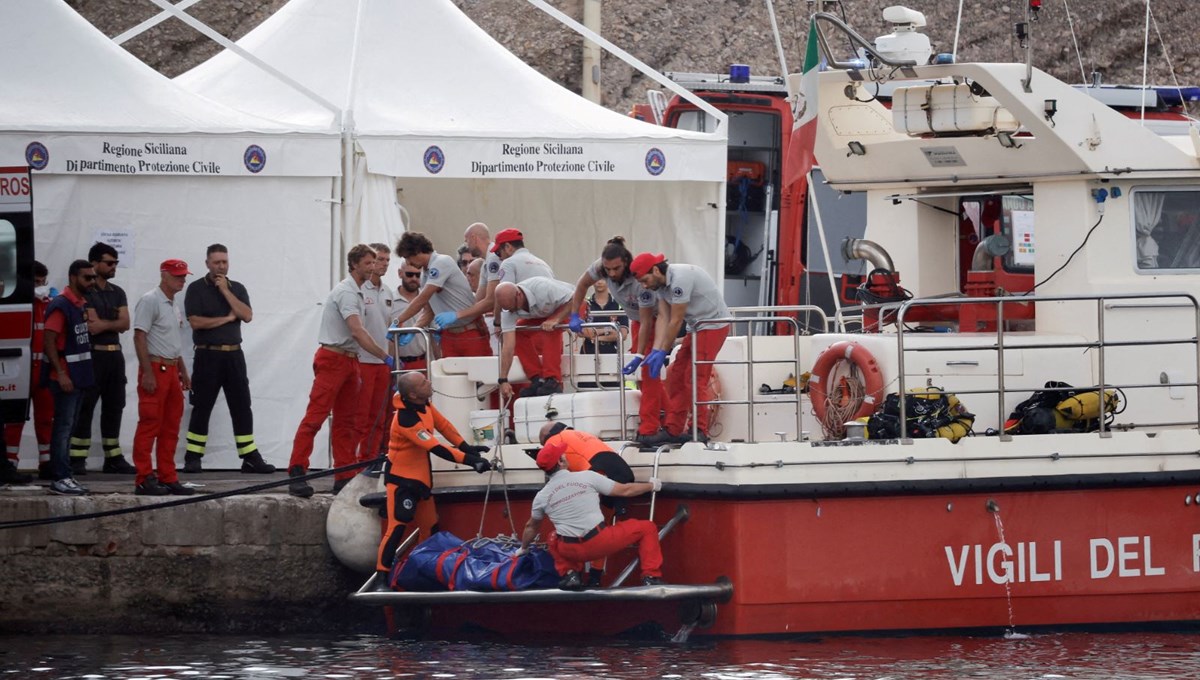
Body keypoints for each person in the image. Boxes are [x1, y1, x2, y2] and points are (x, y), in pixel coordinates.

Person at [288, 245, 393, 498]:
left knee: (347, 421)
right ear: (355, 264)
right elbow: (357, 329)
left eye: (373, 263)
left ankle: (344, 474)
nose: (372, 267)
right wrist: (384, 355)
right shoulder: (347, 293)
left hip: (349, 358)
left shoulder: (357, 292)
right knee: (316, 415)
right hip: (335, 358)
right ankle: (297, 470)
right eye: (368, 263)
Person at [375, 372, 491, 578]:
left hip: (421, 480)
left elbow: (444, 426)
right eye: (423, 382)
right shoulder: (406, 419)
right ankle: (382, 575)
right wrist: (472, 462)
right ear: (412, 394)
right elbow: (436, 447)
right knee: (397, 526)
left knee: (429, 526)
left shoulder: (425, 406)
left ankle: (424, 568)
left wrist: (469, 449)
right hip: (402, 481)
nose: (429, 383)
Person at [516, 443, 664, 590]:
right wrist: (652, 486)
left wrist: (523, 548)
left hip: (570, 550)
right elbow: (626, 490)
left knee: (553, 538)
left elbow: (531, 527)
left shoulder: (541, 496)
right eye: (563, 455)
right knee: (648, 528)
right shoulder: (587, 477)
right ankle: (651, 577)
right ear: (561, 462)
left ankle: (570, 574)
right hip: (599, 543)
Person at [181, 244, 274, 475]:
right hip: (207, 353)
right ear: (207, 264)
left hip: (234, 354)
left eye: (224, 262)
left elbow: (247, 315)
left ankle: (250, 457)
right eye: (216, 262)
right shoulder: (195, 289)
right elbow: (196, 322)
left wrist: (225, 291)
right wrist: (226, 319)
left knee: (242, 405)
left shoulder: (236, 288)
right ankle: (193, 456)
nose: (221, 266)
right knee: (202, 406)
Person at [564, 237, 663, 443]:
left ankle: (650, 427)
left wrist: (639, 353)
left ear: (626, 262)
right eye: (607, 269)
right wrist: (575, 314)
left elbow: (646, 321)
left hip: (656, 321)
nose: (611, 274)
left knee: (649, 375)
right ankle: (665, 418)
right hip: (639, 323)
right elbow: (582, 285)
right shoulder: (600, 268)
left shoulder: (639, 281)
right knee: (644, 378)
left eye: (616, 269)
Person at [631, 253, 731, 445]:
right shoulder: (660, 285)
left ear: (655, 270)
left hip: (713, 325)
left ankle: (699, 430)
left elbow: (676, 321)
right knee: (677, 374)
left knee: (695, 378)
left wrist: (662, 351)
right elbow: (664, 318)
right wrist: (655, 350)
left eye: (645, 280)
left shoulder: (679, 280)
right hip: (698, 326)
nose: (644, 286)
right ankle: (674, 429)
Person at [69, 242, 136, 475]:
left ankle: (113, 457)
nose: (113, 266)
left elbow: (125, 323)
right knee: (86, 406)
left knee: (115, 405)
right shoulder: (86, 291)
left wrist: (109, 324)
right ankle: (77, 458)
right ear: (94, 263)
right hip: (93, 354)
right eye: (109, 263)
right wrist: (113, 323)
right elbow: (93, 327)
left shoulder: (117, 292)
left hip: (114, 355)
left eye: (116, 262)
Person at [131, 259, 195, 496]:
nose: (182, 280)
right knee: (150, 423)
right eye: (178, 276)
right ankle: (144, 477)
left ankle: (167, 475)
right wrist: (147, 372)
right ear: (164, 276)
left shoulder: (172, 304)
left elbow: (173, 343)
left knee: (170, 426)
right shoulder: (151, 300)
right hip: (156, 368)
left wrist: (183, 371)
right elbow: (139, 336)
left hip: (170, 369)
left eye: (183, 276)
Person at [42, 260, 97, 496]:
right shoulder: (61, 305)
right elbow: (49, 340)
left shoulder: (80, 304)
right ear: (73, 277)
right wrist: (61, 373)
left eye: (93, 277)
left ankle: (66, 475)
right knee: (63, 428)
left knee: (70, 426)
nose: (92, 282)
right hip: (66, 376)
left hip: (80, 375)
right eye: (87, 278)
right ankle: (60, 477)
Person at [393, 232, 491, 358]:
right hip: (449, 335)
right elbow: (428, 310)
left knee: (479, 375)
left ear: (417, 251)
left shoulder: (441, 262)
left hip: (470, 332)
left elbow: (422, 298)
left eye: (408, 257)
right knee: (450, 376)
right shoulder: (425, 275)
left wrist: (399, 320)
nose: (408, 262)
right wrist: (414, 329)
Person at [3, 261, 52, 483]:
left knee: (45, 419)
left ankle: (47, 462)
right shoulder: (19, 304)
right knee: (15, 418)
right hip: (22, 370)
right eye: (36, 282)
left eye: (43, 282)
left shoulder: (49, 304)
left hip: (43, 371)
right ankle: (10, 462)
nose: (40, 286)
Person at [352, 243, 398, 465]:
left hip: (383, 362)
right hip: (363, 359)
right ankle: (356, 461)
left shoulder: (388, 292)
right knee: (360, 415)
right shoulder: (359, 290)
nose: (383, 264)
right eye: (380, 259)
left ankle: (372, 459)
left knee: (380, 416)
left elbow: (388, 326)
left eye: (387, 260)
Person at [494, 277, 573, 399]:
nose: (511, 311)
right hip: (546, 314)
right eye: (507, 309)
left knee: (549, 328)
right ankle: (537, 378)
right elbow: (508, 346)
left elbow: (576, 298)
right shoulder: (508, 310)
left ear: (519, 295)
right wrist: (503, 379)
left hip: (571, 306)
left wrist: (556, 319)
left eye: (513, 307)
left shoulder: (543, 288)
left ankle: (553, 380)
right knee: (519, 331)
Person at [578, 279, 628, 355]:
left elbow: (623, 335)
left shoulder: (619, 303)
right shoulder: (585, 303)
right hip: (588, 351)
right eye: (596, 279)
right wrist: (610, 330)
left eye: (603, 279)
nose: (599, 282)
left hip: (613, 353)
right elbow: (581, 332)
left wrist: (597, 337)